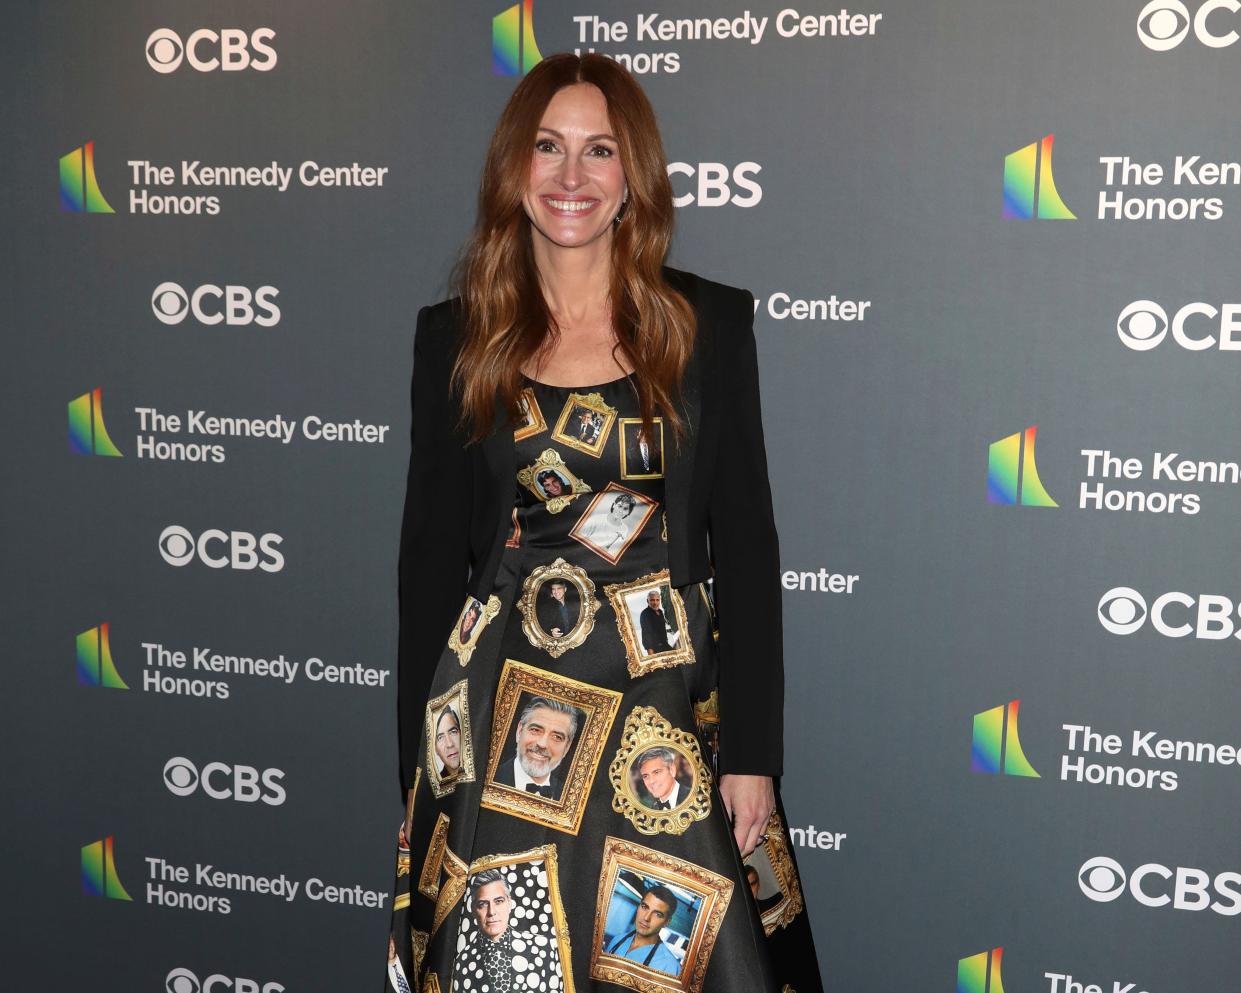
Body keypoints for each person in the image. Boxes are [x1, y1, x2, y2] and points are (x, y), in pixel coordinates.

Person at [389, 52, 821, 993]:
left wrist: (752, 755)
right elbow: (427, 564)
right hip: (506, 719)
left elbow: (745, 545)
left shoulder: (705, 325)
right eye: (547, 148)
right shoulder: (455, 338)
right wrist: (418, 770)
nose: (571, 177)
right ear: (514, 167)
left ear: (635, 178)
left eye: (599, 151)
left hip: (663, 707)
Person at [452, 869, 548, 993]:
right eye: (483, 904)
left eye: (498, 901)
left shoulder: (542, 948)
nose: (492, 912)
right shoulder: (461, 962)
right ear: (473, 910)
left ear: (510, 903)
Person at [491, 696, 578, 798]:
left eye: (557, 737)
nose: (542, 744)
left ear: (567, 748)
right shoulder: (486, 779)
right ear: (519, 732)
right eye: (535, 730)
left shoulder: (570, 798)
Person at [605, 886, 683, 976]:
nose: (646, 918)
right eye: (644, 907)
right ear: (638, 907)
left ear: (666, 922)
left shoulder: (670, 967)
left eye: (658, 914)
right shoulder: (617, 940)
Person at [639, 588, 674, 655]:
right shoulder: (645, 614)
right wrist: (651, 654)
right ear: (647, 601)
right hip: (655, 649)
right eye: (652, 600)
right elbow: (646, 634)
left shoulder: (660, 612)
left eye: (657, 600)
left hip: (665, 645)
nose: (655, 603)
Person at [432, 704, 462, 782]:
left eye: (453, 732)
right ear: (435, 748)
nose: (450, 744)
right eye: (440, 737)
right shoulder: (434, 787)